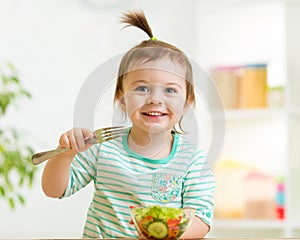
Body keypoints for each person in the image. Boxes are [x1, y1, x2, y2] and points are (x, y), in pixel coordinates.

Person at [41, 10, 215, 239]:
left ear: (186, 103)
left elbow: (202, 220)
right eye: (142, 88)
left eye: (170, 90)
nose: (155, 99)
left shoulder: (192, 160)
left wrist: (166, 234)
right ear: (122, 100)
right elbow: (55, 190)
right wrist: (64, 154)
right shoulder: (102, 147)